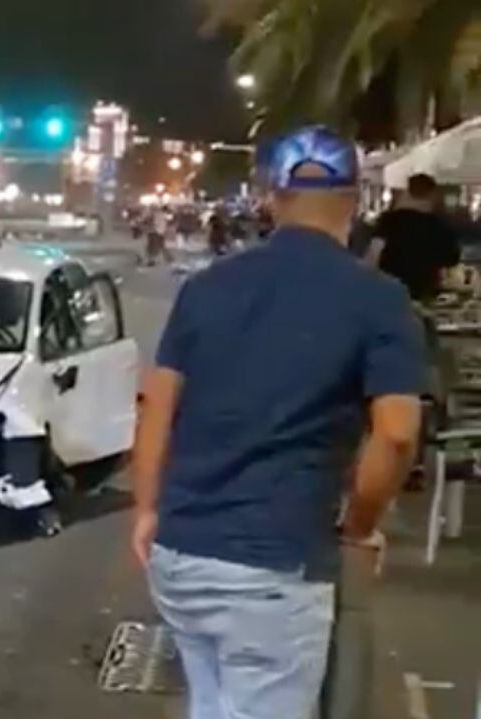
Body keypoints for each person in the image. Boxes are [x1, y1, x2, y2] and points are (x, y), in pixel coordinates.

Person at [131, 126, 425, 719]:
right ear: (354, 198)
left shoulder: (206, 287)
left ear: (271, 195)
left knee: (212, 704)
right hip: (274, 566)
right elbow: (396, 433)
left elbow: (156, 406)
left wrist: (146, 510)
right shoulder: (378, 299)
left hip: (181, 555)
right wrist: (360, 525)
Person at [368, 173, 460, 302]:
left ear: (407, 192)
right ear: (432, 195)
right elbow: (451, 260)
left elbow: (373, 254)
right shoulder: (439, 227)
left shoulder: (389, 221)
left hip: (389, 291)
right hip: (424, 293)